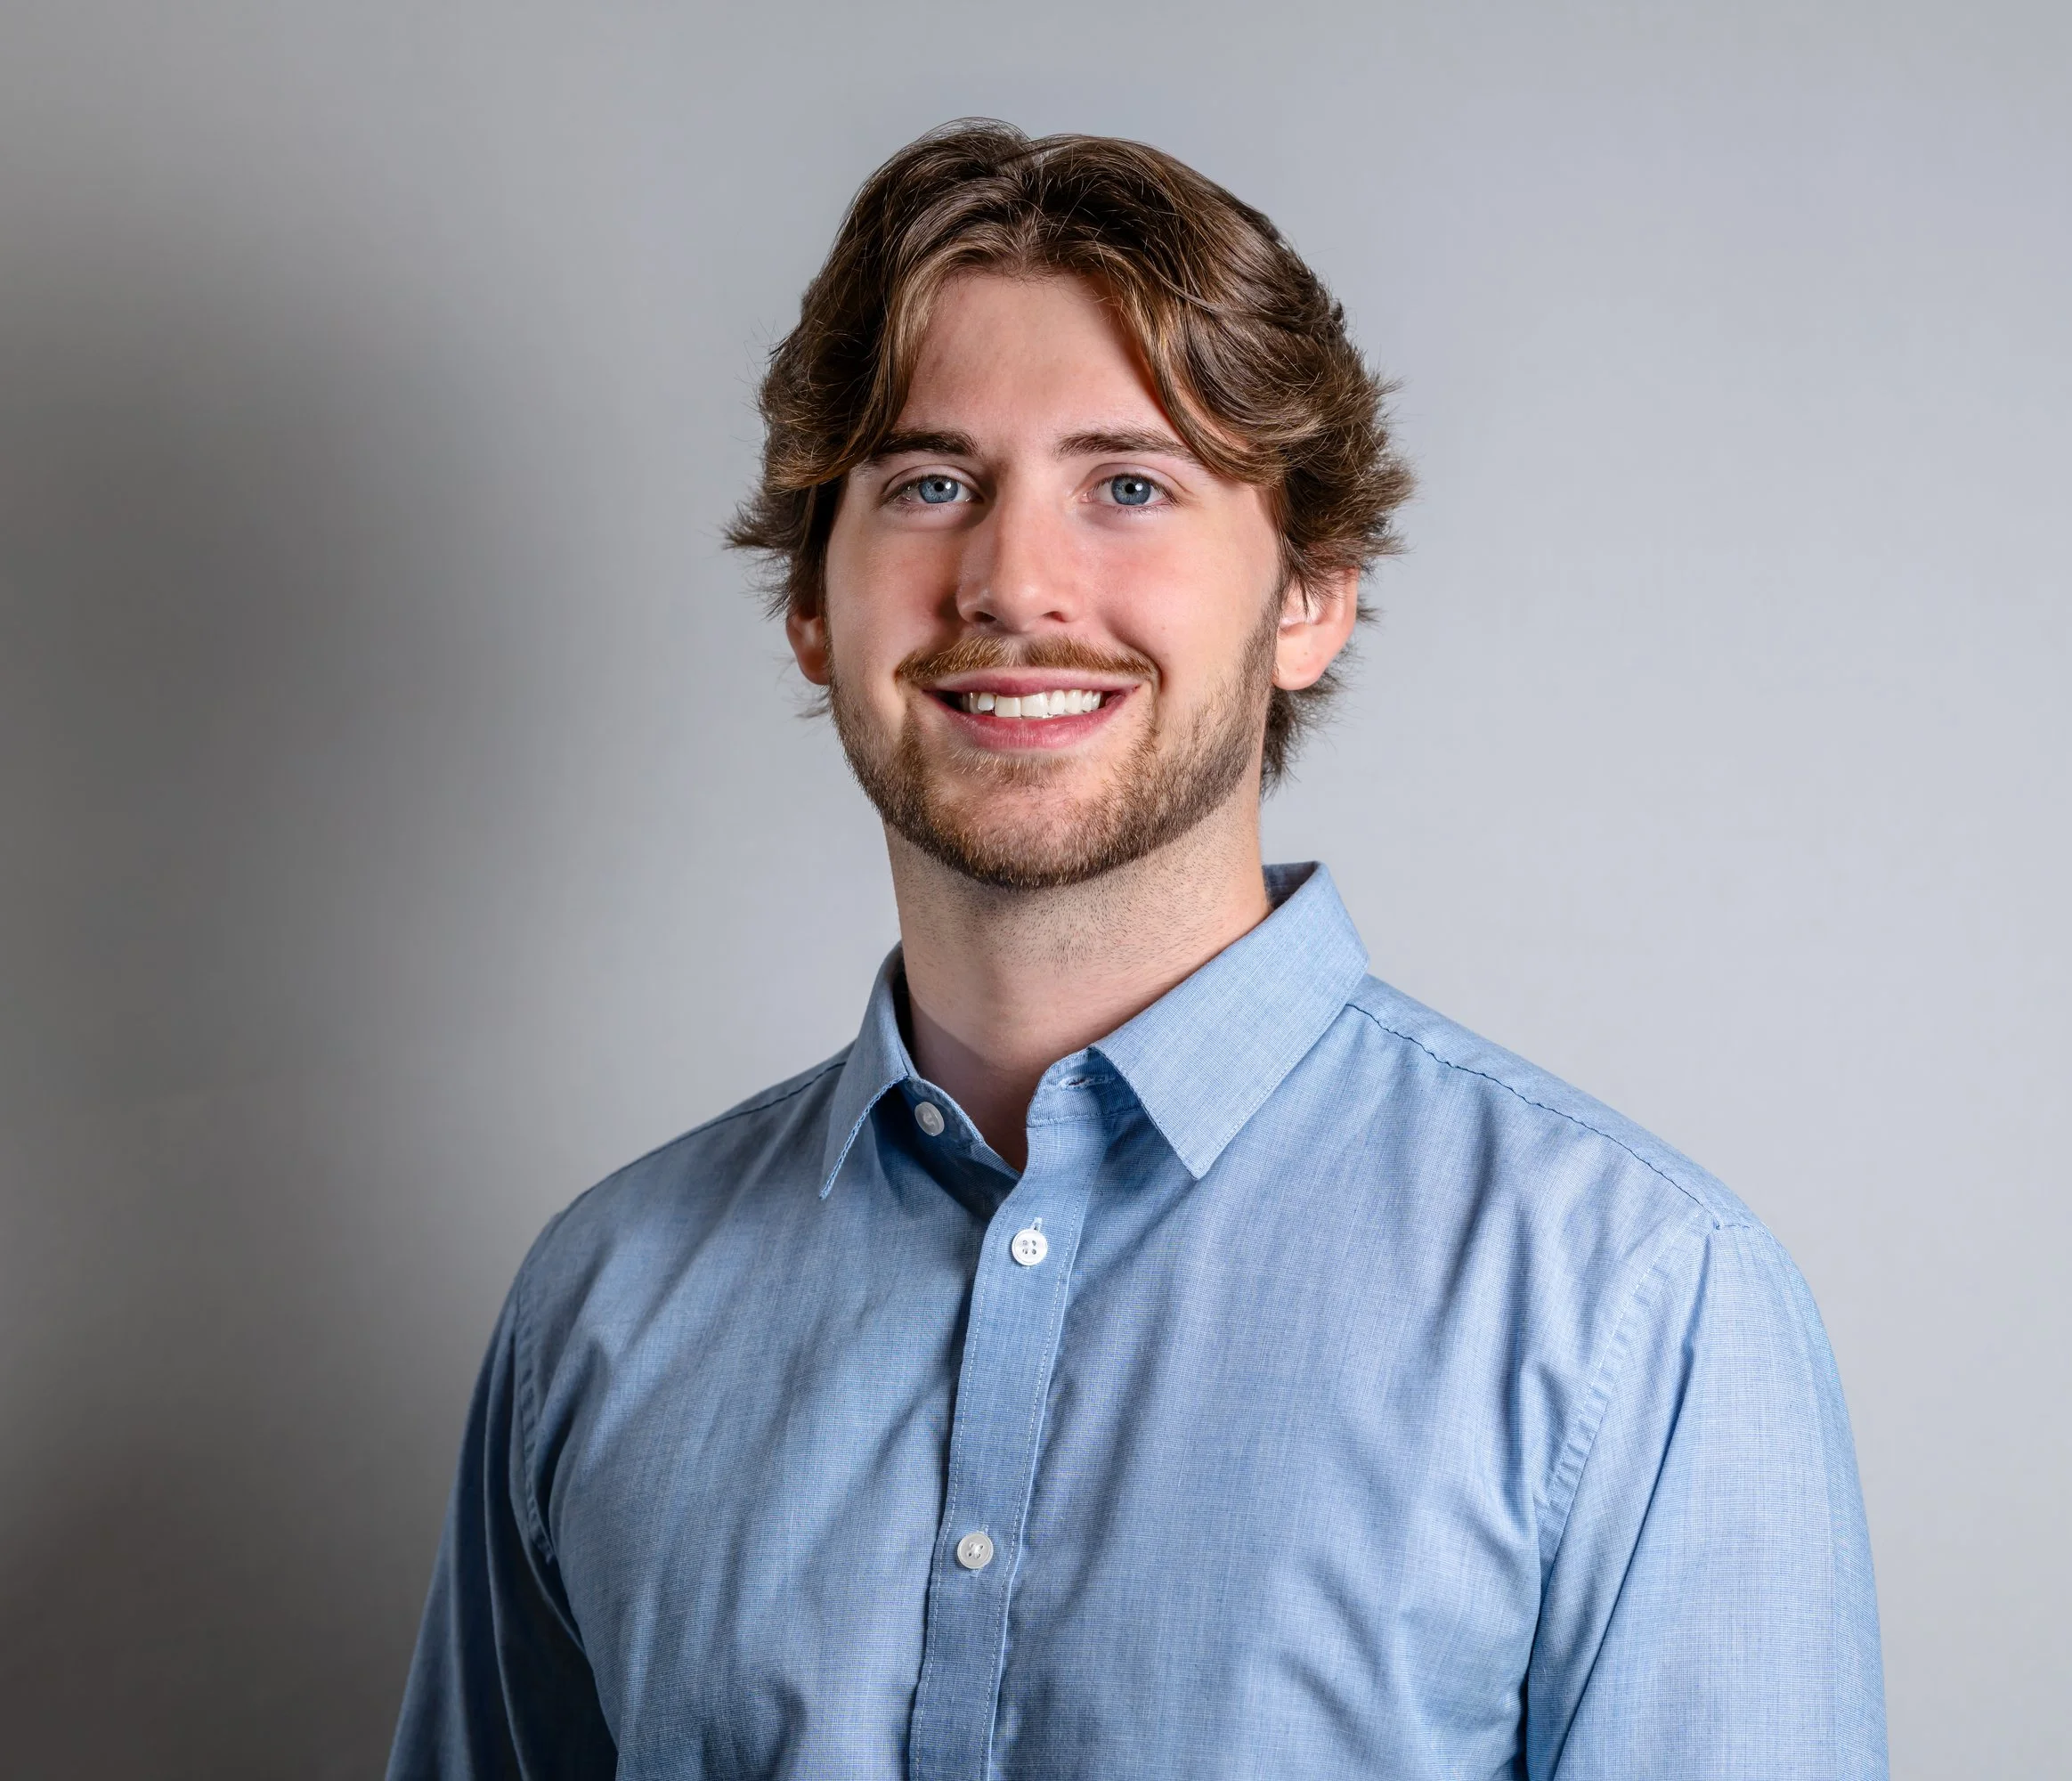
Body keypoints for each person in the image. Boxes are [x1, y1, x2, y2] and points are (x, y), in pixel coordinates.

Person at [387, 120, 1888, 1781]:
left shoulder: (1629, 1306)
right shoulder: (604, 1307)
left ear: (1310, 596)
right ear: (813, 604)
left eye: (1129, 485)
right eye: (931, 483)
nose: (1016, 582)